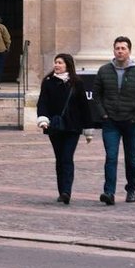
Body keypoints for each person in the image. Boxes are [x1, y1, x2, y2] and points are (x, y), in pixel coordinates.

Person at [92, 36, 135, 206]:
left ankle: (131, 188)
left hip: (130, 122)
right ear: (113, 50)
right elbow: (96, 95)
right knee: (111, 157)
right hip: (110, 122)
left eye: (123, 48)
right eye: (117, 48)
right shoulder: (104, 70)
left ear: (129, 51)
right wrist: (103, 114)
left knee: (131, 159)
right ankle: (109, 192)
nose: (120, 51)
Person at [35, 53, 90, 203]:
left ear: (67, 65)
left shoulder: (76, 83)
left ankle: (67, 191)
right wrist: (43, 119)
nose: (56, 65)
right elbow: (43, 102)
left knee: (67, 157)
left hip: (73, 126)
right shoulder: (48, 82)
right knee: (59, 159)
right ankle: (62, 190)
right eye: (55, 62)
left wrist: (88, 128)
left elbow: (83, 106)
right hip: (55, 126)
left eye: (60, 63)